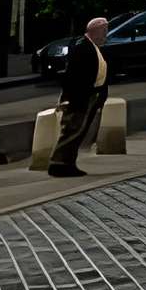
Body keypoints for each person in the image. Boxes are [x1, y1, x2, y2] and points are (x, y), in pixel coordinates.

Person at [42, 14, 110, 177]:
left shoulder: (90, 46)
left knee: (77, 130)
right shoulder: (83, 47)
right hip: (80, 98)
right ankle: (60, 163)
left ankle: (67, 162)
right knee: (73, 130)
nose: (106, 35)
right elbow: (74, 76)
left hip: (87, 96)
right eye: (104, 31)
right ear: (96, 31)